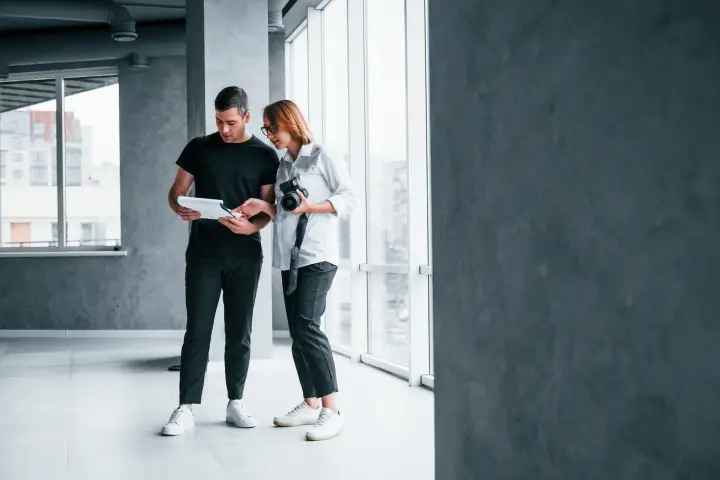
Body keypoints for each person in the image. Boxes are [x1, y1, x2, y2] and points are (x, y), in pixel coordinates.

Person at [161, 86, 279, 436]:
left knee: (239, 331)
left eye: (230, 122)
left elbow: (266, 209)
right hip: (203, 253)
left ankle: (236, 402)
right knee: (197, 329)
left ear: (245, 116)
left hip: (246, 253)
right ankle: (185, 407)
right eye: (218, 121)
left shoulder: (265, 155)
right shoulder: (199, 147)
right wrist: (179, 206)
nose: (224, 129)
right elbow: (176, 191)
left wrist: (251, 227)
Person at [240, 100, 356, 441]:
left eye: (272, 127)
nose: (269, 135)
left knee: (308, 327)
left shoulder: (323, 156)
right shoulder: (284, 166)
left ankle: (331, 410)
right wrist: (264, 206)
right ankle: (310, 402)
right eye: (265, 129)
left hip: (317, 256)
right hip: (289, 259)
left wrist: (313, 206)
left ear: (290, 122)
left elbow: (350, 197)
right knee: (298, 333)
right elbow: (286, 213)